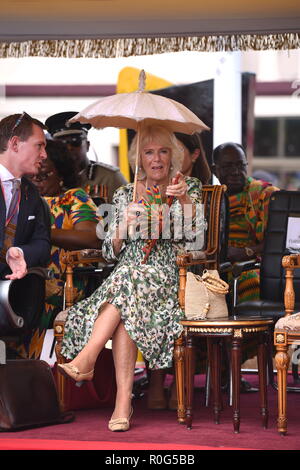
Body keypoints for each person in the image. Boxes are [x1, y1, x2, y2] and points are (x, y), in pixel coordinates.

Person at [57, 125, 205, 431]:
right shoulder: (124, 193)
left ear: (173, 155)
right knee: (126, 291)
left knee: (127, 284)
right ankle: (122, 401)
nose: (156, 159)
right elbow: (111, 253)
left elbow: (198, 242)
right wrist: (123, 225)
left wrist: (183, 204)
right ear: (139, 157)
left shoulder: (187, 187)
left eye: (163, 151)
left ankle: (89, 359)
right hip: (127, 279)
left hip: (168, 278)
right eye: (149, 152)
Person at [28, 139, 101, 357]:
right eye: (32, 176)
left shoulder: (72, 198)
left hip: (62, 285)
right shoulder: (19, 200)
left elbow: (92, 238)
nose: (37, 182)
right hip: (23, 280)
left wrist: (42, 234)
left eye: (44, 175)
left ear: (61, 172)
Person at [212, 142, 279, 302]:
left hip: (254, 266)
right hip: (217, 267)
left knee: (250, 281)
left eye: (240, 165)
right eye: (228, 166)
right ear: (215, 170)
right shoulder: (212, 199)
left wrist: (246, 251)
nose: (235, 172)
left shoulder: (265, 194)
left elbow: (278, 240)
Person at [0, 112, 50, 280]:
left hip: (13, 289)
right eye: (39, 146)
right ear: (15, 144)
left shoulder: (31, 192)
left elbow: (42, 245)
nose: (44, 155)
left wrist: (19, 252)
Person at [45, 111, 128, 203]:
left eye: (76, 142)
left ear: (87, 146)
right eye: (62, 144)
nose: (69, 148)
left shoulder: (109, 177)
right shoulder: (46, 178)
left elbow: (128, 212)